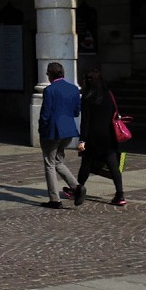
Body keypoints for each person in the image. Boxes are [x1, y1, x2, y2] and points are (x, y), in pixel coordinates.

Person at [73, 67, 127, 206]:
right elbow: (115, 113)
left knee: (86, 163)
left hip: (93, 137)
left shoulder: (87, 98)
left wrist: (82, 140)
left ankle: (78, 189)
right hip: (109, 135)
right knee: (113, 166)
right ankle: (120, 194)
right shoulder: (109, 94)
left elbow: (85, 121)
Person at [38, 61, 81, 208]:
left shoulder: (50, 90)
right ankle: (76, 187)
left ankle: (54, 199)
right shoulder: (74, 89)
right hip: (68, 130)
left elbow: (45, 114)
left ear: (50, 75)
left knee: (49, 163)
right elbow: (76, 112)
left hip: (53, 130)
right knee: (58, 161)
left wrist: (41, 129)